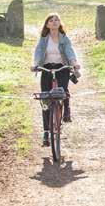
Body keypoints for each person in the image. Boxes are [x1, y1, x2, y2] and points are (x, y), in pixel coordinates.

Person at [31, 13, 81, 146]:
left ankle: (66, 108)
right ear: (47, 24)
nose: (54, 22)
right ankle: (46, 132)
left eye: (57, 20)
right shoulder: (43, 39)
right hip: (46, 68)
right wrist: (35, 65)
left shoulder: (64, 38)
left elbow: (69, 51)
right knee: (45, 100)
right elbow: (38, 52)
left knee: (62, 90)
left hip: (62, 67)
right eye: (51, 20)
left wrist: (74, 63)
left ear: (60, 23)